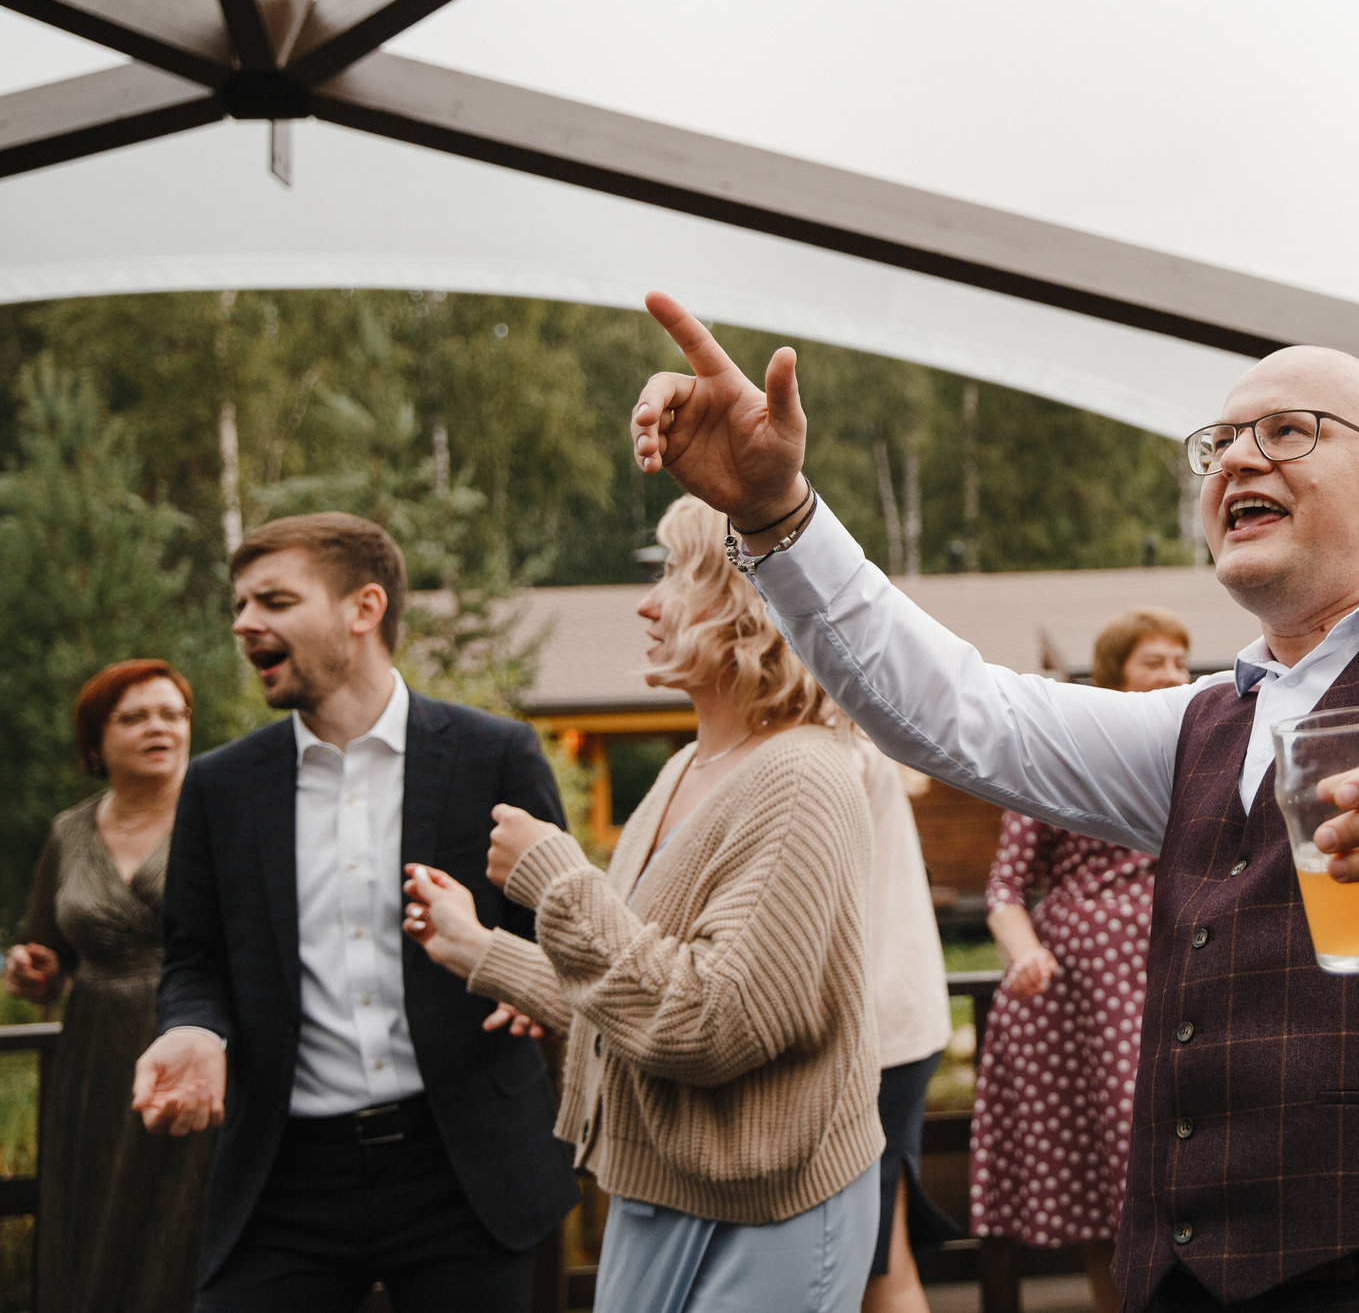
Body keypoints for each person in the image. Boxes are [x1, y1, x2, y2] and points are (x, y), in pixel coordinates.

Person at [627, 292, 1359, 1313]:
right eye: (1219, 441)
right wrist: (780, 516)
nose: (1238, 457)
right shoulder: (1197, 725)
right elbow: (958, 711)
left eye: (1289, 431)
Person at [400, 494, 884, 1313]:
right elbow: (633, 1004)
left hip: (769, 1206)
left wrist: (556, 879)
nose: (647, 602)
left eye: (674, 573)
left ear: (752, 603)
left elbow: (712, 1022)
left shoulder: (802, 778)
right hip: (667, 1189)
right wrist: (483, 952)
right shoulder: (684, 771)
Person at [132, 511, 578, 1311]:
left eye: (272, 599)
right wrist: (192, 1028)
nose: (243, 623)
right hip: (285, 1176)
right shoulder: (220, 787)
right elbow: (193, 958)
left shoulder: (495, 754)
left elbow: (560, 932)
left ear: (362, 608)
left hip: (466, 1167)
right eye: (239, 604)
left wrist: (525, 980)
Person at [972, 608, 1189, 1313]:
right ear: (1113, 672)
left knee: (1187, 1168)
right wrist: (1026, 950)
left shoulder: (1195, 749)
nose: (1173, 676)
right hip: (1086, 997)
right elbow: (1005, 886)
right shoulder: (1062, 753)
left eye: (1181, 663)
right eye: (1155, 661)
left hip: (1179, 971)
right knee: (1110, 1188)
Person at [7, 660, 215, 1313]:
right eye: (135, 716)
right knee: (91, 1226)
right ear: (96, 742)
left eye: (172, 713)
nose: (159, 726)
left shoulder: (221, 816)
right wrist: (34, 971)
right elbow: (49, 957)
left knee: (184, 1224)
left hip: (200, 1050)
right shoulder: (70, 831)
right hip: (93, 1062)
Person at [858, 724, 965, 1313]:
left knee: (873, 1260)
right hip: (896, 1024)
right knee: (881, 1254)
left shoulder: (841, 758)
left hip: (875, 1035)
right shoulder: (864, 754)